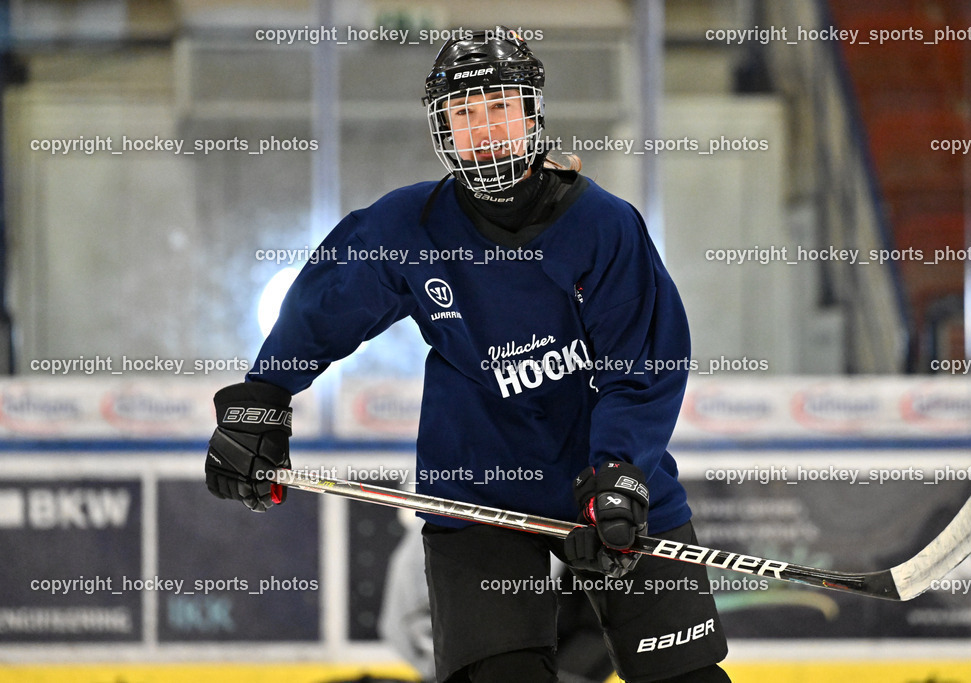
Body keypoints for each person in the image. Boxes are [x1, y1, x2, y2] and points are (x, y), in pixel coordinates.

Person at [205, 27, 730, 683]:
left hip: (608, 483)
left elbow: (642, 366)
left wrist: (620, 473)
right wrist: (262, 396)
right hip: (480, 494)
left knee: (687, 677)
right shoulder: (410, 227)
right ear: (443, 127)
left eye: (500, 107)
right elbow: (328, 300)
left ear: (532, 114)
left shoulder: (604, 225)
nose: (484, 128)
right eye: (465, 112)